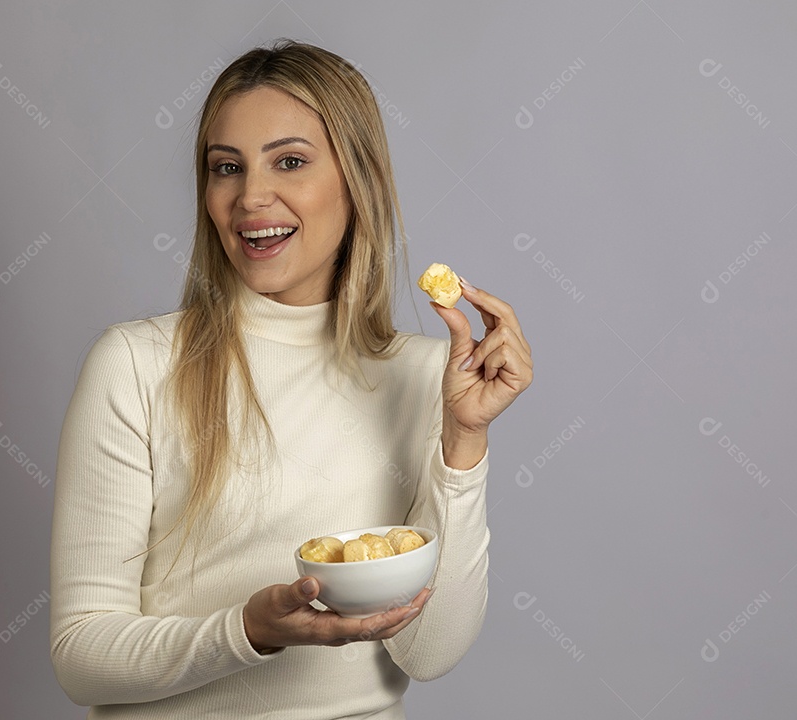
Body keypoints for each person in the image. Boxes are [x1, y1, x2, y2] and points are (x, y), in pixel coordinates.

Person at [49, 39, 533, 719]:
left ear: (357, 181)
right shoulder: (135, 364)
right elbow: (82, 657)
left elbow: (430, 652)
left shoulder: (430, 379)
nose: (251, 197)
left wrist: (465, 443)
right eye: (226, 168)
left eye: (291, 162)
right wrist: (247, 632)